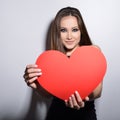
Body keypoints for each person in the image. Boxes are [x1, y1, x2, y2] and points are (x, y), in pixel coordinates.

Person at [23, 7, 103, 120]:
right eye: (63, 30)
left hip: (85, 115)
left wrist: (82, 97)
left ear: (81, 31)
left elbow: (98, 92)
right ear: (57, 33)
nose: (69, 36)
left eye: (74, 29)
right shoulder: (51, 60)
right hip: (56, 115)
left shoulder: (92, 52)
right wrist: (36, 86)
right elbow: (48, 95)